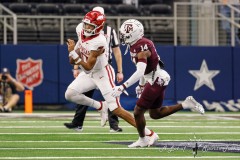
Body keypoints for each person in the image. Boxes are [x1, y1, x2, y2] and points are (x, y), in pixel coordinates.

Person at [65, 10, 159, 147]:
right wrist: (74, 53)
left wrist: (73, 53)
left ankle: (149, 133)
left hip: (102, 73)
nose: (86, 28)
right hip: (89, 72)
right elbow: (73, 62)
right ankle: (100, 106)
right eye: (86, 24)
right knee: (70, 94)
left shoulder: (100, 41)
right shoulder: (80, 29)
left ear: (98, 27)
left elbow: (87, 67)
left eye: (90, 26)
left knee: (116, 109)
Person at [111, 19, 205, 148]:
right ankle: (186, 104)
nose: (123, 37)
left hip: (157, 78)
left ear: (133, 35)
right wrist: (141, 84)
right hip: (155, 77)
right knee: (155, 114)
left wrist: (122, 87)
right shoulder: (137, 44)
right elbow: (146, 69)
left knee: (138, 111)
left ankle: (143, 138)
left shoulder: (141, 47)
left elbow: (140, 71)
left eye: (125, 35)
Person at [64, 6, 124, 132]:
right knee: (74, 94)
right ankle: (81, 121)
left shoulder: (105, 35)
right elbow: (80, 46)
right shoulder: (82, 28)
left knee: (112, 99)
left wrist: (120, 70)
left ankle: (114, 125)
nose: (87, 27)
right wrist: (75, 64)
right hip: (88, 67)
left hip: (102, 69)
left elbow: (117, 51)